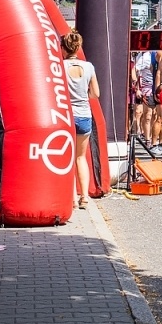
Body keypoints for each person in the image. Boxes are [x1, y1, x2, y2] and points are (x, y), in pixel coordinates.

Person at [62, 31, 100, 209]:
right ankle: (84, 196)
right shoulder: (89, 67)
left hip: (67, 115)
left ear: (63, 48)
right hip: (84, 114)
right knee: (80, 158)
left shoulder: (60, 66)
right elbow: (96, 94)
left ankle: (72, 199)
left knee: (68, 159)